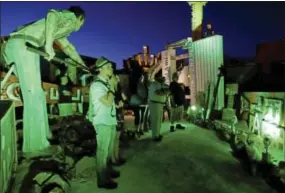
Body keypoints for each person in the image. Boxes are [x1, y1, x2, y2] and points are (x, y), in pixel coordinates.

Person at [2, 6, 86, 155]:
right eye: (81, 23)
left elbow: (69, 48)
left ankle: (44, 135)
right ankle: (35, 145)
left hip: (17, 46)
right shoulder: (71, 18)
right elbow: (52, 14)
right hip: (25, 45)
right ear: (80, 18)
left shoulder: (59, 31)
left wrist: (84, 66)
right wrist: (48, 46)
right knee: (34, 95)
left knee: (38, 94)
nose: (79, 27)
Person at [88, 57, 119, 189]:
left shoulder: (105, 84)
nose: (111, 69)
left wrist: (116, 104)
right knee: (102, 151)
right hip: (102, 121)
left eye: (111, 67)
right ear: (100, 69)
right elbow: (106, 102)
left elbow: (110, 101)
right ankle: (102, 180)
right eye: (108, 67)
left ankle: (108, 172)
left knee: (109, 150)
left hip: (110, 120)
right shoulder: (97, 85)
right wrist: (112, 86)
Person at [110, 74, 126, 166]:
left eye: (118, 78)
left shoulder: (118, 90)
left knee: (117, 137)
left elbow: (123, 99)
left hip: (119, 114)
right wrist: (116, 105)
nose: (118, 79)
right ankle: (113, 159)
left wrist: (122, 102)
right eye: (115, 78)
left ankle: (116, 157)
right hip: (114, 115)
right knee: (114, 138)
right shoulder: (110, 90)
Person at [148, 73, 170, 142]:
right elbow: (159, 92)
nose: (162, 78)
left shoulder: (160, 84)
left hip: (160, 104)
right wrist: (166, 91)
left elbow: (168, 89)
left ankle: (157, 134)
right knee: (155, 120)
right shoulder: (154, 84)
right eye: (160, 77)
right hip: (155, 104)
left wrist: (166, 90)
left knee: (159, 120)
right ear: (156, 78)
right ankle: (155, 136)